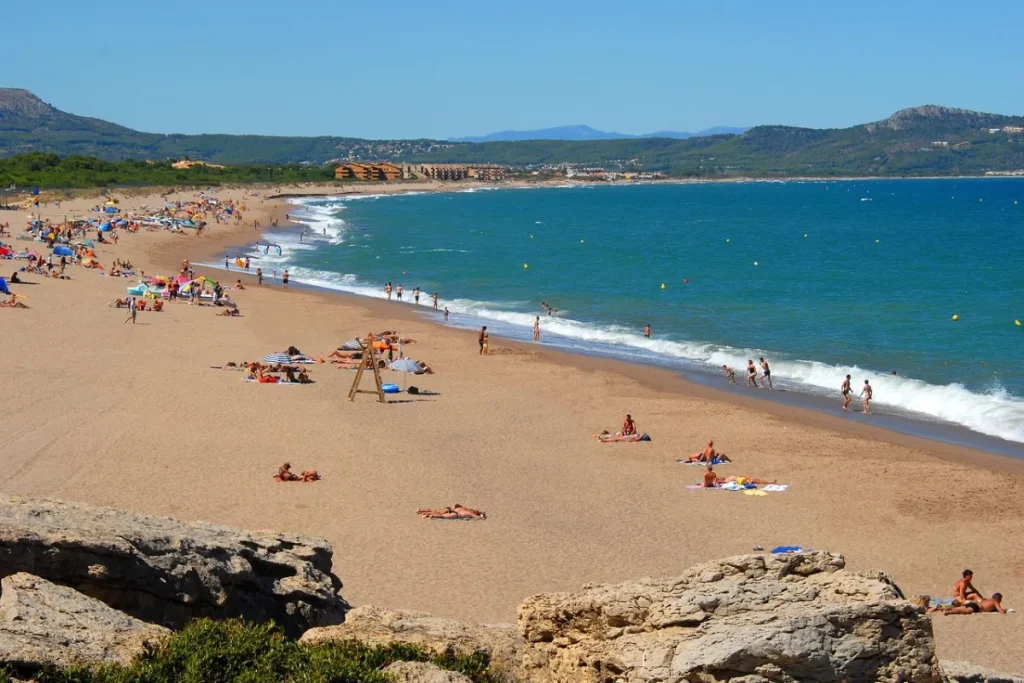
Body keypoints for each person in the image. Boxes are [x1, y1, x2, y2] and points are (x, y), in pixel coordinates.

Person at [702, 463, 777, 488]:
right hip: (741, 481)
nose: (719, 477)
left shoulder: (725, 478)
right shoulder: (725, 481)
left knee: (756, 479)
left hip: (741, 478)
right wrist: (720, 481)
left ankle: (770, 482)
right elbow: (716, 483)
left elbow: (715, 481)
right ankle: (771, 482)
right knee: (756, 480)